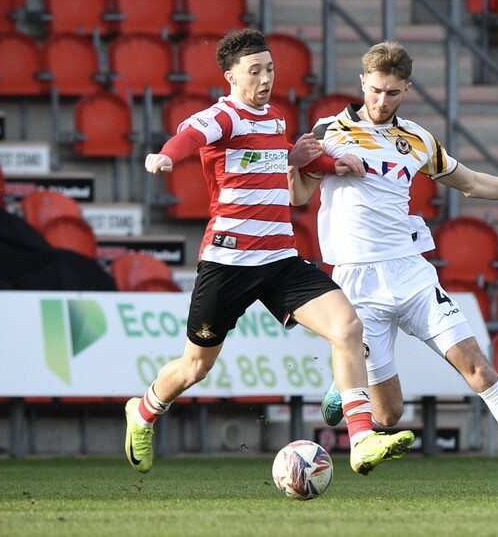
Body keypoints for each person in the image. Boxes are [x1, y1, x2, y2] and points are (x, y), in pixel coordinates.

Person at [291, 41, 498, 498]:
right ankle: (344, 384)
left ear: (407, 90)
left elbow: (473, 183)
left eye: (394, 93)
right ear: (362, 83)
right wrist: (295, 165)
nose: (382, 101)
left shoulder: (417, 140)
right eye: (376, 90)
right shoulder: (329, 131)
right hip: (356, 282)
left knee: (477, 367)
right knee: (390, 415)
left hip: (412, 274)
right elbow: (299, 196)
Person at [130, 29, 414, 477]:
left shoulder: (275, 118)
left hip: (280, 259)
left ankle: (361, 440)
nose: (266, 78)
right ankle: (143, 412)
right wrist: (166, 156)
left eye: (270, 69)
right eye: (255, 71)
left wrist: (326, 163)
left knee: (347, 327)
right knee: (195, 366)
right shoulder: (221, 117)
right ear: (230, 76)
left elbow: (275, 156)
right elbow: (188, 134)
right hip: (228, 262)